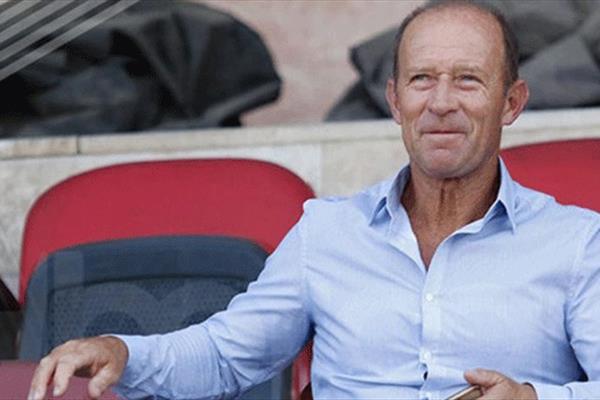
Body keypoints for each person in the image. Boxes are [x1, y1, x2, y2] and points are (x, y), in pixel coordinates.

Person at [29, 1, 600, 399]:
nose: (441, 102)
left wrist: (533, 398)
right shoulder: (327, 232)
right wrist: (123, 353)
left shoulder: (576, 243)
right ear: (395, 101)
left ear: (511, 102)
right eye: (422, 79)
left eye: (468, 80)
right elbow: (226, 356)